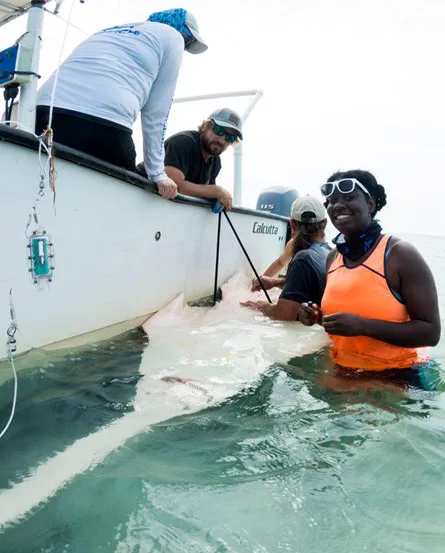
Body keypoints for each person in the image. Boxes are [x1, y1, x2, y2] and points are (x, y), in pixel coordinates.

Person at [35, 8, 208, 200]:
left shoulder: (109, 31)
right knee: (126, 192)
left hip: (43, 111)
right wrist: (157, 174)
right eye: (189, 41)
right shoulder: (173, 37)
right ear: (182, 31)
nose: (185, 47)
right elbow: (156, 113)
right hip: (104, 122)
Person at [299, 169, 441, 371]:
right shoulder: (333, 257)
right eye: (331, 201)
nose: (337, 205)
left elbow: (431, 333)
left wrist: (364, 327)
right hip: (343, 369)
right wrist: (315, 316)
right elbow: (341, 321)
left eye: (349, 197)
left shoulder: (399, 254)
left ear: (370, 204)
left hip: (397, 375)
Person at [241, 195, 330, 320]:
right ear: (325, 223)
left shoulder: (302, 259)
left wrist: (261, 306)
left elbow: (283, 315)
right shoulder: (329, 253)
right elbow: (310, 286)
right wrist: (276, 282)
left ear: (292, 224)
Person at [137, 108, 242, 210]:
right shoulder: (183, 143)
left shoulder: (215, 162)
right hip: (137, 195)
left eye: (230, 138)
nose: (222, 140)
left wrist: (217, 198)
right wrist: (217, 191)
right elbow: (174, 186)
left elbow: (203, 192)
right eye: (219, 131)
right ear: (205, 126)